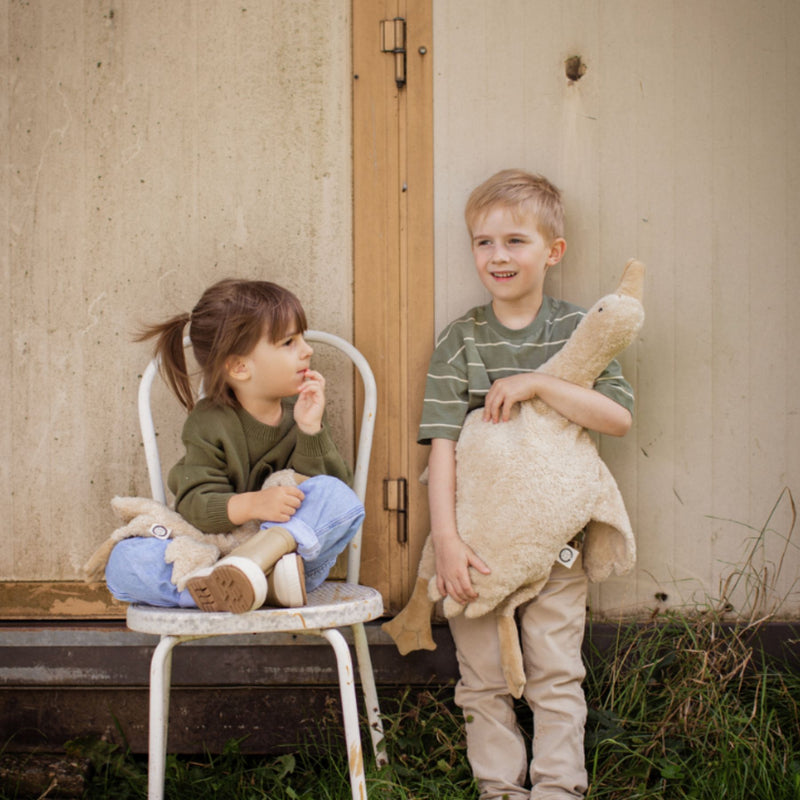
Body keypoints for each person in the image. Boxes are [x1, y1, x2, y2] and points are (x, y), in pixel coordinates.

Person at [418, 170, 635, 799]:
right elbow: (443, 447)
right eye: (483, 242)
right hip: (478, 542)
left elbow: (617, 419)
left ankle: (559, 788)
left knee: (555, 671)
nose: (498, 256)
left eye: (516, 241)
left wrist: (539, 384)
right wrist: (448, 542)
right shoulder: (461, 340)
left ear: (552, 251)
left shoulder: (578, 331)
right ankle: (499, 786)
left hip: (557, 543)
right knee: (481, 676)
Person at [105, 278, 364, 613]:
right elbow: (194, 503)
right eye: (289, 342)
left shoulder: (301, 410)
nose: (307, 349)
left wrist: (311, 429)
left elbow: (325, 491)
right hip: (214, 557)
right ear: (240, 367)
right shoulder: (209, 422)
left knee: (340, 496)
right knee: (124, 561)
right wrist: (254, 504)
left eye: (302, 338)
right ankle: (220, 589)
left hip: (288, 564)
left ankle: (256, 573)